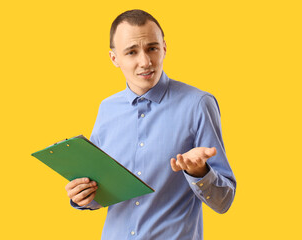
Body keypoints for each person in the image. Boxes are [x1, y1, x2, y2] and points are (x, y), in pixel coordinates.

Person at [65, 9, 236, 240]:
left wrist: (199, 172)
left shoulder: (198, 104)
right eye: (132, 52)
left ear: (164, 48)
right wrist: (82, 197)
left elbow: (223, 201)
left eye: (152, 48)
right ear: (114, 59)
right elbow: (102, 191)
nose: (145, 62)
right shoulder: (107, 109)